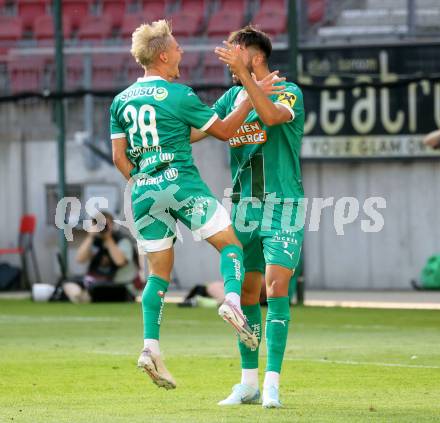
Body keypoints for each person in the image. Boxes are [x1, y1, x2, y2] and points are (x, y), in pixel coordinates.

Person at [110, 20, 285, 390]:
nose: (181, 53)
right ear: (162, 55)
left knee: (158, 273)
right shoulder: (180, 95)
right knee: (230, 244)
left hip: (143, 193)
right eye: (176, 48)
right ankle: (233, 301)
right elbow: (223, 131)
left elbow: (119, 157)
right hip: (181, 182)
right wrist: (251, 101)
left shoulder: (121, 101)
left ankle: (150, 347)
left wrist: (142, 181)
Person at [191, 26, 305, 408]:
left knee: (276, 288)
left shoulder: (288, 91)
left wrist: (244, 78)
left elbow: (271, 117)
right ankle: (248, 383)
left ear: (254, 56)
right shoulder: (231, 97)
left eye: (234, 52)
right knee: (248, 295)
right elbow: (203, 130)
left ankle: (272, 383)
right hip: (244, 208)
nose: (227, 58)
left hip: (283, 205)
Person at [63, 212, 137, 303]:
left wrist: (108, 239)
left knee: (98, 289)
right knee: (69, 283)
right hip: (95, 282)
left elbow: (120, 262)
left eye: (105, 224)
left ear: (112, 225)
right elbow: (80, 259)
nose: (102, 227)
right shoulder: (94, 240)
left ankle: (86, 298)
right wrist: (90, 237)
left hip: (118, 285)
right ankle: (80, 297)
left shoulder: (122, 240)